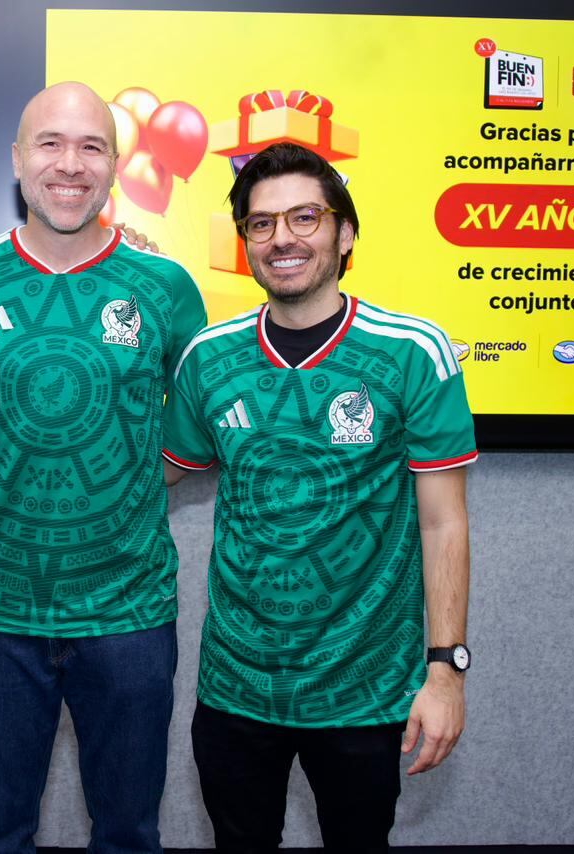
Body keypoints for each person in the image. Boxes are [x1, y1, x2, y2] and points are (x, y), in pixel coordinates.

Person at [0, 81, 207, 854]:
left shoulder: (167, 287)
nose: (70, 164)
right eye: (50, 144)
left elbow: (204, 415)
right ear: (17, 161)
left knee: (128, 834)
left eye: (91, 146)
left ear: (113, 164)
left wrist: (135, 480)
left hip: (129, 614)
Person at [162, 142, 476, 850]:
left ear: (346, 233)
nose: (283, 238)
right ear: (245, 242)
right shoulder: (209, 357)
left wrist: (446, 673)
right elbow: (157, 471)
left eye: (305, 217)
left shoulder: (412, 351)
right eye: (262, 223)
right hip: (237, 687)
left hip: (365, 689)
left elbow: (444, 523)